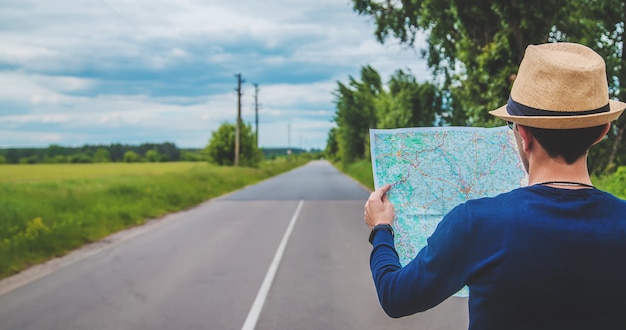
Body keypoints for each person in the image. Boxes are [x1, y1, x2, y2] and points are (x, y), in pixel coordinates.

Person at [364, 42, 626, 329]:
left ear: (523, 135)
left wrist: (381, 229)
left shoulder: (477, 223)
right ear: (603, 132)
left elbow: (395, 296)